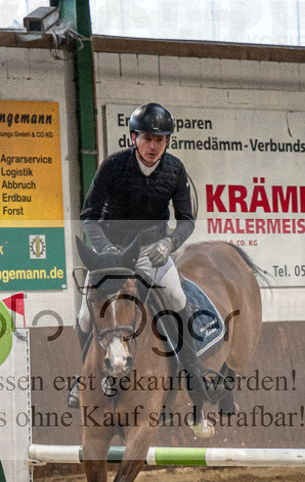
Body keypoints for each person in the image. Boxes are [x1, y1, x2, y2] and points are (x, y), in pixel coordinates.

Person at [69, 102, 208, 408]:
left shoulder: (175, 170)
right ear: (133, 137)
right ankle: (82, 376)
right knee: (82, 316)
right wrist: (104, 250)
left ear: (167, 141)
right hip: (110, 251)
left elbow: (186, 220)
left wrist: (169, 244)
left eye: (159, 139)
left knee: (177, 296)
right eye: (146, 138)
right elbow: (88, 216)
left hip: (151, 251)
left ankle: (192, 369)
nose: (153, 146)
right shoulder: (113, 166)